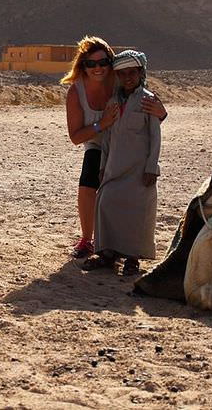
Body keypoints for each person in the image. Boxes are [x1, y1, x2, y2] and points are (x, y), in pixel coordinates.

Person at [62, 37, 167, 259]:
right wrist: (103, 124)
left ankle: (123, 245)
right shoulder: (76, 92)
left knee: (125, 191)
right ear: (83, 65)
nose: (98, 68)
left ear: (112, 63)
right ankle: (87, 239)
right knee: (89, 181)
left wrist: (162, 113)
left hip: (126, 144)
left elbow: (148, 109)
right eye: (91, 64)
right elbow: (75, 136)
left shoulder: (121, 79)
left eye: (103, 62)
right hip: (97, 141)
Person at [83, 50, 160, 275]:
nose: (127, 78)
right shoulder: (113, 101)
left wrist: (151, 167)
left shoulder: (149, 100)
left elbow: (155, 137)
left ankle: (133, 259)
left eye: (132, 73)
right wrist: (102, 167)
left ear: (140, 73)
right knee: (106, 202)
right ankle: (108, 253)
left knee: (136, 211)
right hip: (114, 168)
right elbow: (107, 137)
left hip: (139, 170)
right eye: (122, 73)